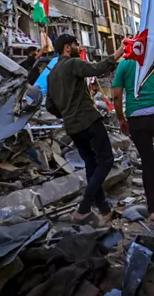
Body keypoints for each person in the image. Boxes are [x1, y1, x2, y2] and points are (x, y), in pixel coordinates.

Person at [45, 35, 124, 225]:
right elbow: (97, 69)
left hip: (72, 126)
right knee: (106, 160)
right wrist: (120, 51)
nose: (78, 47)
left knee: (91, 163)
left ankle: (104, 209)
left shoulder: (51, 74)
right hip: (88, 120)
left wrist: (65, 112)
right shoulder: (73, 63)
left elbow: (49, 106)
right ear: (67, 48)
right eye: (76, 44)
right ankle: (84, 208)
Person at [113, 58, 154, 222]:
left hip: (135, 118)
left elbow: (116, 94)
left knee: (147, 163)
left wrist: (121, 118)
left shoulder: (125, 62)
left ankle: (153, 209)